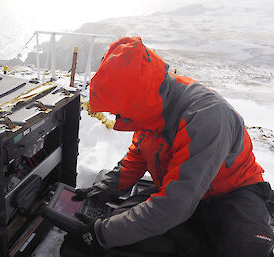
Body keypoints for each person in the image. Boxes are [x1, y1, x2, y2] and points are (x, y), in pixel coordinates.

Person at [60, 37, 274, 257]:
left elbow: (175, 204)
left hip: (233, 193)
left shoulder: (206, 117)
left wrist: (100, 234)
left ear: (137, 102)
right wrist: (105, 188)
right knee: (113, 233)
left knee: (245, 249)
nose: (117, 117)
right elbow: (137, 156)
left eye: (120, 112)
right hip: (179, 190)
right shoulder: (153, 105)